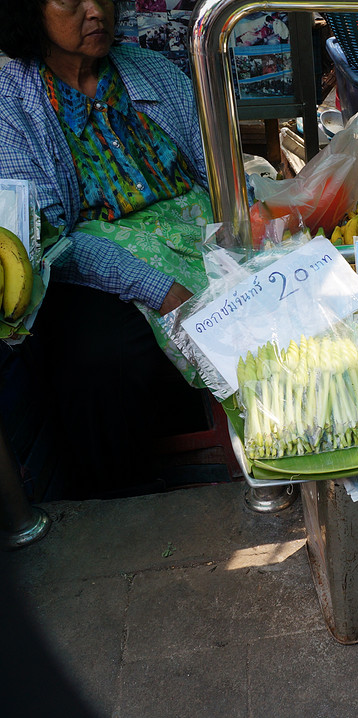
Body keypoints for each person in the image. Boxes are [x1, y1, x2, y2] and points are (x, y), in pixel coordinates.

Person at [0, 0, 215, 498]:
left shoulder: (154, 72)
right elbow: (49, 236)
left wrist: (245, 224)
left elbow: (211, 163)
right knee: (104, 354)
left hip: (196, 231)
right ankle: (120, 492)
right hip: (86, 256)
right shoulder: (12, 105)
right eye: (71, 1)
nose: (94, 11)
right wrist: (156, 287)